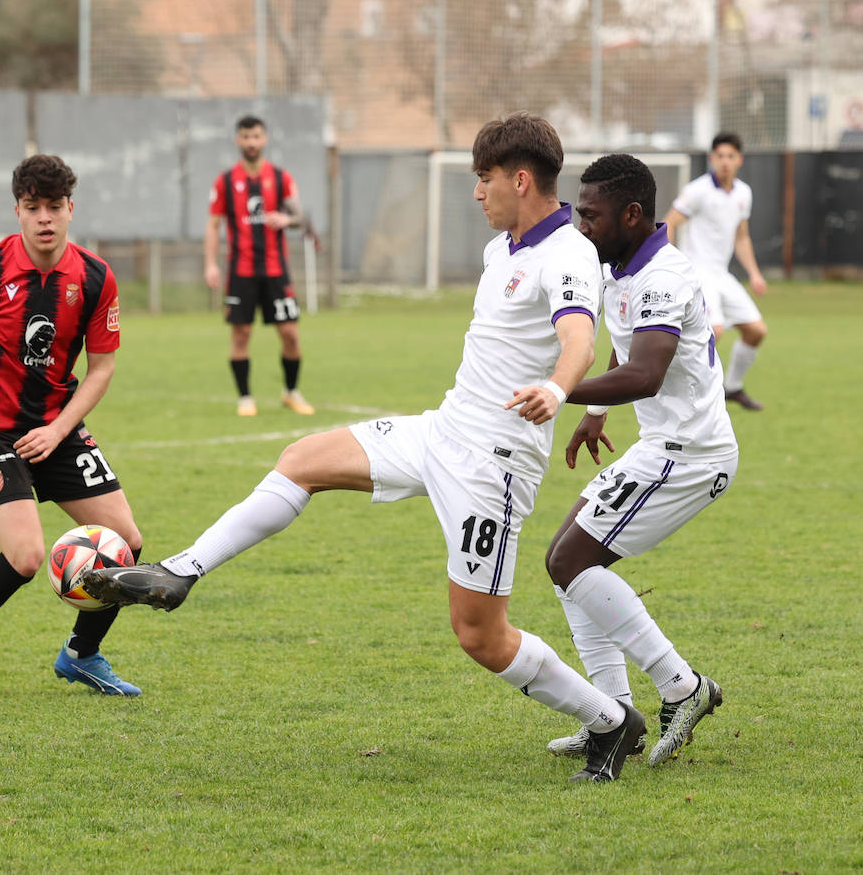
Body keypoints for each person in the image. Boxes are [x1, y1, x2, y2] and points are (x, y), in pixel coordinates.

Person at [86, 113, 647, 783]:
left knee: (480, 636)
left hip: (492, 465)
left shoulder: (568, 254)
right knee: (302, 460)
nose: (477, 193)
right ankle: (181, 571)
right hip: (443, 430)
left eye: (485, 179)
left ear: (520, 180)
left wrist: (558, 391)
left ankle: (612, 722)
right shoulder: (505, 248)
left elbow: (579, 337)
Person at [0, 154, 145, 699]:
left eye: (55, 207)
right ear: (17, 209)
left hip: (55, 428)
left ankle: (81, 656)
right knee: (25, 557)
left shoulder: (94, 276)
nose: (45, 218)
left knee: (126, 543)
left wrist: (61, 428)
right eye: (33, 207)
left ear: (71, 209)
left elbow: (102, 367)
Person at [544, 153, 734, 767]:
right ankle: (613, 713)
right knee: (564, 561)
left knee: (571, 561)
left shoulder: (664, 277)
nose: (582, 227)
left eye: (592, 216)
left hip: (691, 454)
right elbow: (626, 353)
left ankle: (682, 687)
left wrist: (555, 388)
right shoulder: (621, 265)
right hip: (664, 447)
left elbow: (647, 374)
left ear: (631, 214)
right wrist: (595, 413)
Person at [205, 115, 314, 417]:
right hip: (241, 271)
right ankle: (245, 398)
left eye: (256, 137)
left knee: (290, 333)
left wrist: (287, 219)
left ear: (264, 139)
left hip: (276, 271)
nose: (251, 143)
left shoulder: (280, 178)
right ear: (238, 141)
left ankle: (291, 392)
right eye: (245, 137)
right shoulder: (225, 181)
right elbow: (213, 225)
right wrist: (210, 264)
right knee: (241, 335)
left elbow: (301, 217)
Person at [663, 132, 768, 410]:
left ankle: (731, 388)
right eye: (719, 156)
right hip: (697, 273)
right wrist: (668, 262)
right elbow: (669, 223)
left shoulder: (744, 193)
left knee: (756, 331)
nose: (724, 162)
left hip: (722, 275)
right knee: (714, 330)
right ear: (712, 159)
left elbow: (742, 236)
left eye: (730, 156)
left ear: (739, 160)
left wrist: (754, 273)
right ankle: (685, 396)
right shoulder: (698, 190)